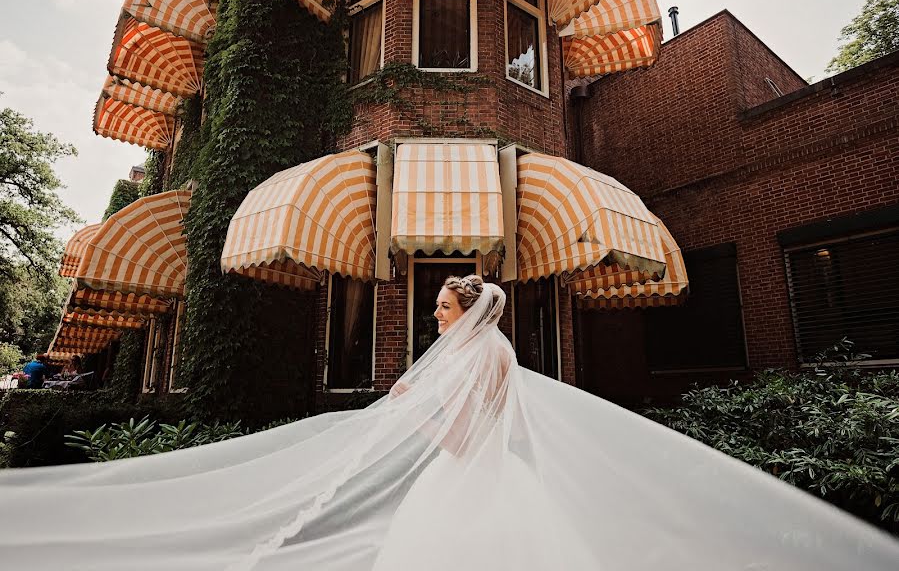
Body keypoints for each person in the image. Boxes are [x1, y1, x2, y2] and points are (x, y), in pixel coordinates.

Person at [0, 276, 898, 570]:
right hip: (500, 478)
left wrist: (406, 424)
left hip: (469, 480)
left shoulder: (472, 358)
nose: (431, 315)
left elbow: (465, 437)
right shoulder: (496, 353)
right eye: (433, 306)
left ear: (463, 312)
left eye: (437, 305)